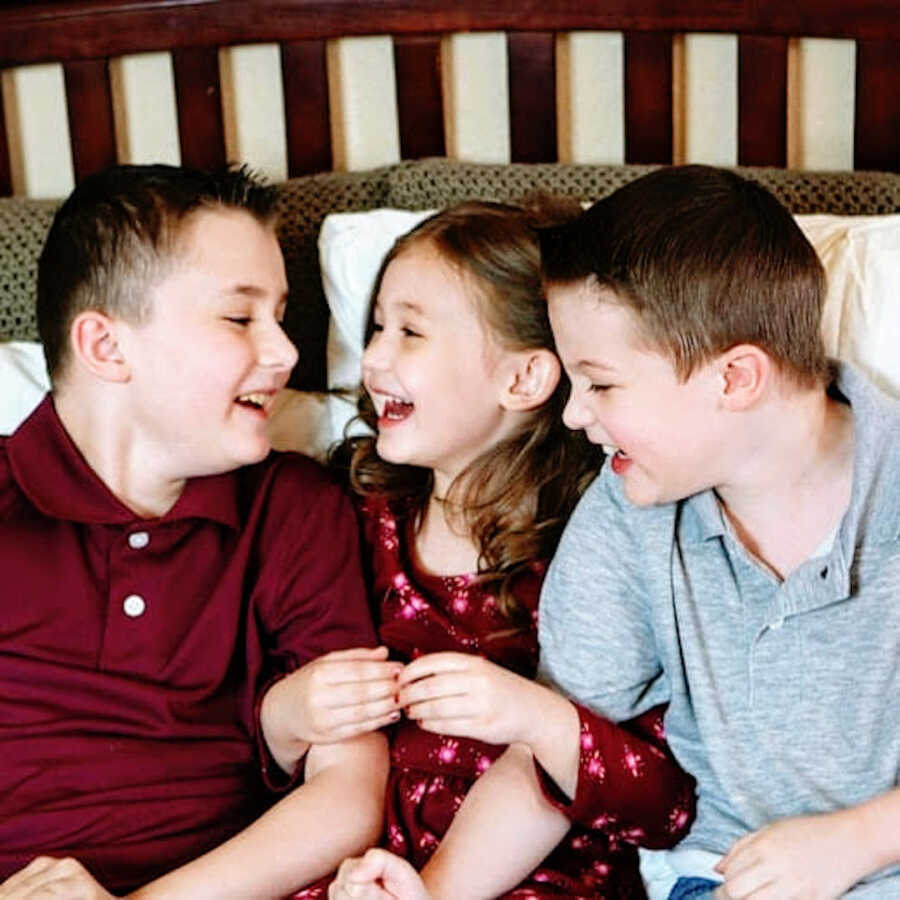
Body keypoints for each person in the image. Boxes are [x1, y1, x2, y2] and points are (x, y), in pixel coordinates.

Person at [358, 164, 900, 900]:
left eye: (602, 383)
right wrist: (437, 892)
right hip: (720, 879)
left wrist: (860, 839)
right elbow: (553, 753)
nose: (576, 415)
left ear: (736, 379)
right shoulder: (628, 507)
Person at [0, 164, 396, 898]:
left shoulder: (294, 509)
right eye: (240, 318)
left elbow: (348, 796)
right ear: (107, 347)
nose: (284, 353)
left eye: (280, 316)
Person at [323, 201, 695, 899]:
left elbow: (668, 804)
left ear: (523, 379)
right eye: (376, 327)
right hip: (360, 872)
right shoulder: (357, 523)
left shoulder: (590, 562)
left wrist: (533, 714)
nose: (373, 359)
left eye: (410, 331)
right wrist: (286, 717)